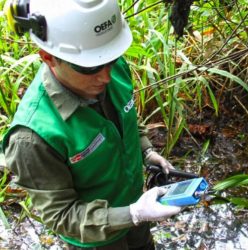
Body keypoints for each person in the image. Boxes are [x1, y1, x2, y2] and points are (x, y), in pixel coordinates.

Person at [2, 0, 182, 249]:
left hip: (137, 212)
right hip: (96, 240)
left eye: (112, 57)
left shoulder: (111, 65)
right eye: (90, 66)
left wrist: (146, 151)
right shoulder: (32, 137)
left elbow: (126, 119)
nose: (106, 76)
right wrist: (132, 213)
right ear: (48, 57)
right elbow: (61, 215)